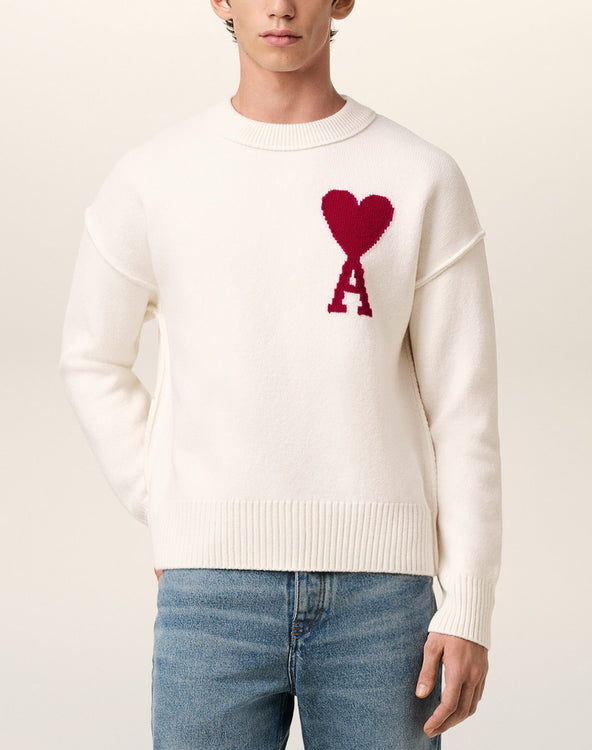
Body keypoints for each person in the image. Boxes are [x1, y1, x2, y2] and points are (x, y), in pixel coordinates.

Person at [58, 1, 502, 747]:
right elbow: (90, 355)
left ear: (342, 0)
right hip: (211, 597)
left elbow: (464, 408)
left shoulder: (421, 176)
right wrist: (169, 505)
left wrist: (468, 606)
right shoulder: (154, 177)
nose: (282, 6)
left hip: (384, 603)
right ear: (220, 1)